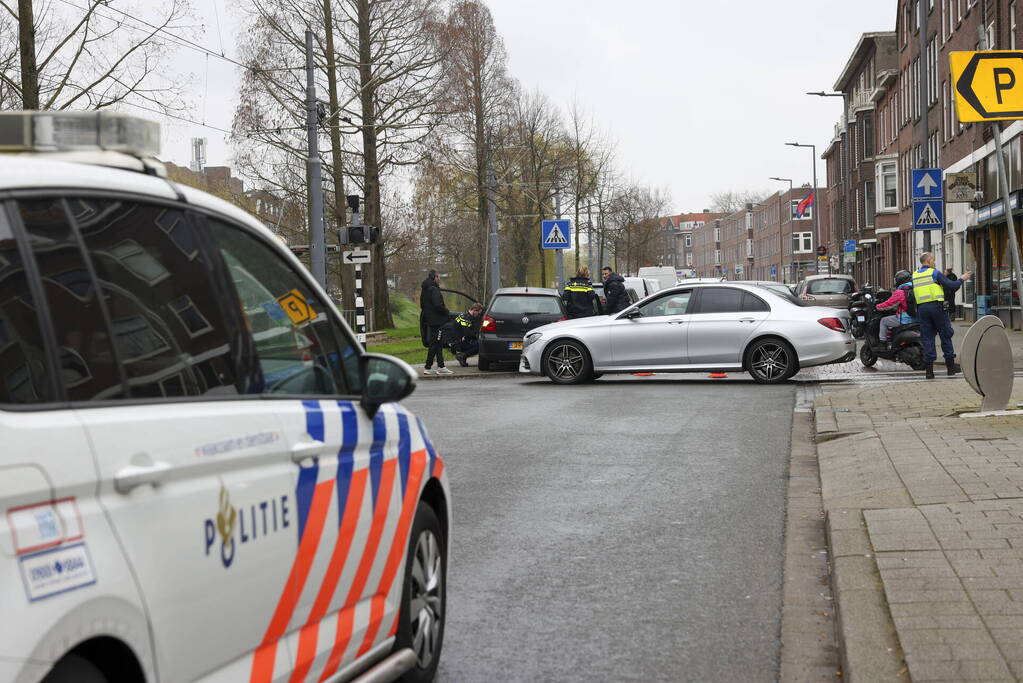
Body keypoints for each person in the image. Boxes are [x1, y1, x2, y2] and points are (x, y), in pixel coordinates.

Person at [912, 252, 971, 379]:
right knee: (945, 335)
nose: (934, 262)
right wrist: (962, 279)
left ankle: (929, 372)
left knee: (927, 339)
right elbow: (952, 285)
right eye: (933, 259)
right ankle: (950, 368)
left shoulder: (915, 275)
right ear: (928, 260)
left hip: (922, 309)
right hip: (937, 308)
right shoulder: (934, 273)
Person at [420, 270, 453, 375]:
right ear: (435, 277)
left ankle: (441, 366)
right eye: (439, 277)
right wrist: (446, 311)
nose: (440, 279)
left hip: (430, 320)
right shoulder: (434, 289)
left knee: (438, 343)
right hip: (437, 321)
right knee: (435, 343)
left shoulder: (425, 290)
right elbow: (438, 305)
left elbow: (422, 305)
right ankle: (428, 367)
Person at [875, 270, 915, 348]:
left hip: (905, 318)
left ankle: (882, 343)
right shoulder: (915, 289)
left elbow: (889, 304)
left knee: (883, 321)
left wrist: (877, 307)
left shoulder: (900, 291)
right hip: (916, 318)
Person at [450, 302, 484, 367]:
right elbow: (467, 333)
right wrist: (477, 336)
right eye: (478, 313)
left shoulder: (465, 315)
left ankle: (463, 358)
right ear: (474, 310)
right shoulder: (466, 319)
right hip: (458, 343)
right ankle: (462, 356)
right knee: (481, 344)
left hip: (458, 340)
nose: (478, 315)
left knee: (475, 340)